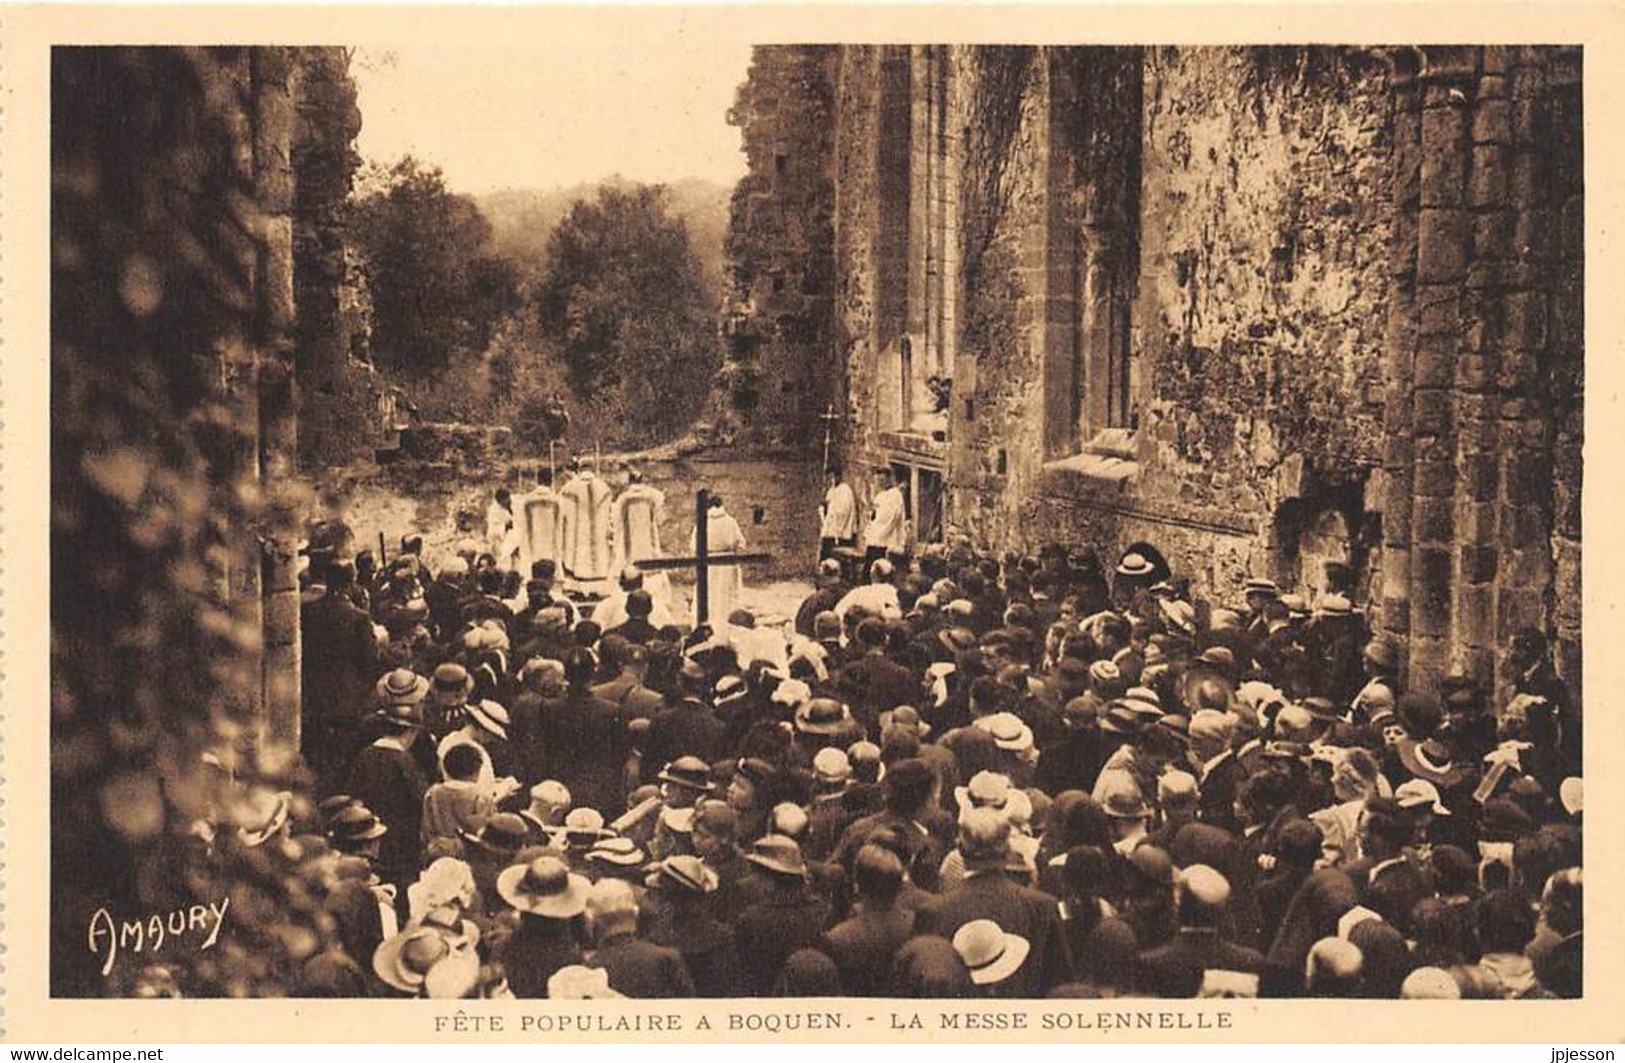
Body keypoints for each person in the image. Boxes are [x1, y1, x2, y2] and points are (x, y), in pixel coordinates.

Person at [691, 494, 747, 623]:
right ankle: (726, 622)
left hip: (707, 562)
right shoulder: (730, 521)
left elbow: (693, 545)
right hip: (727, 562)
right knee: (725, 596)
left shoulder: (702, 522)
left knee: (709, 594)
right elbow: (741, 542)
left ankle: (707, 621)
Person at [863, 467, 908, 567]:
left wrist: (875, 536)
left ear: (889, 479)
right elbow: (873, 517)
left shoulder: (895, 495)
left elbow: (889, 520)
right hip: (875, 540)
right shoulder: (880, 495)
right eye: (878, 480)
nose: (880, 483)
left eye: (882, 480)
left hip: (886, 542)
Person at [819, 463, 858, 562]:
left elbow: (843, 512)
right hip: (829, 529)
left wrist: (830, 508)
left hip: (840, 532)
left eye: (833, 477)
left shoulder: (845, 490)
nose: (831, 480)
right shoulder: (831, 491)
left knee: (835, 559)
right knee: (825, 557)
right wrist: (824, 507)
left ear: (839, 476)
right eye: (829, 478)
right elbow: (827, 507)